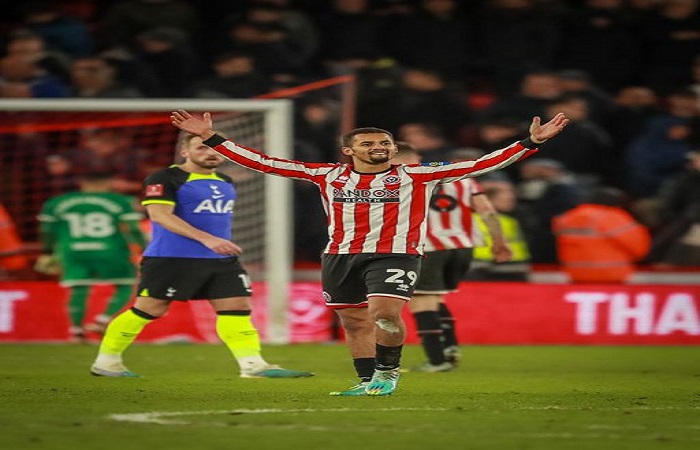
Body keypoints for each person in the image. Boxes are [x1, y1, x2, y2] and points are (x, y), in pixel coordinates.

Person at [170, 109, 569, 396]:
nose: (378, 148)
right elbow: (266, 163)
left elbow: (484, 163)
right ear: (350, 150)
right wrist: (212, 138)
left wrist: (530, 142)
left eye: (384, 143)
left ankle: (387, 373)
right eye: (368, 143)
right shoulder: (327, 174)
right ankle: (366, 382)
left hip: (396, 254)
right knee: (355, 323)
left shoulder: (417, 174)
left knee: (385, 313)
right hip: (341, 255)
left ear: (393, 148)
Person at [89, 134, 314, 379]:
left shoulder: (225, 180)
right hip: (172, 257)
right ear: (185, 152)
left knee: (236, 306)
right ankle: (107, 362)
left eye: (215, 149)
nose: (210, 153)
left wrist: (216, 242)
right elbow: (160, 215)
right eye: (201, 148)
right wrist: (207, 239)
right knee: (149, 309)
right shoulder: (165, 178)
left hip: (219, 259)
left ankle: (253, 365)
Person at [393, 143, 512, 372]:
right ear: (415, 155)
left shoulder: (399, 179)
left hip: (428, 246)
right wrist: (499, 242)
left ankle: (436, 361)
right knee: (436, 298)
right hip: (462, 248)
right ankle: (450, 348)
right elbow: (487, 210)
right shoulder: (464, 179)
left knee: (421, 301)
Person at [35, 172, 147, 343]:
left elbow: (47, 231)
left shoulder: (56, 202)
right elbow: (133, 229)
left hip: (72, 251)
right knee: (127, 284)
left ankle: (76, 332)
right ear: (109, 181)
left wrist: (47, 252)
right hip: (110, 250)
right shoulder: (120, 201)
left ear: (81, 182)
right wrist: (147, 249)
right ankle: (102, 320)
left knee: (79, 288)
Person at [552, 186, 651, 283]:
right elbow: (638, 248)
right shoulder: (613, 217)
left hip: (575, 274)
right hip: (612, 275)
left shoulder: (567, 217)